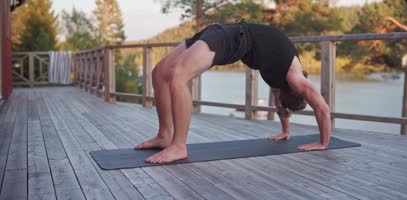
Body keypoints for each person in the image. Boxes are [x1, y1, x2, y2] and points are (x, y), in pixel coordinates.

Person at [134, 21, 331, 164]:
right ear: (292, 92)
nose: (278, 101)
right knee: (166, 73)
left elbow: (281, 105)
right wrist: (323, 143)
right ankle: (170, 140)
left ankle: (172, 141)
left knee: (169, 73)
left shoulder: (281, 80)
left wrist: (285, 131)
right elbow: (322, 107)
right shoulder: (295, 78)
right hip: (233, 37)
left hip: (224, 32)